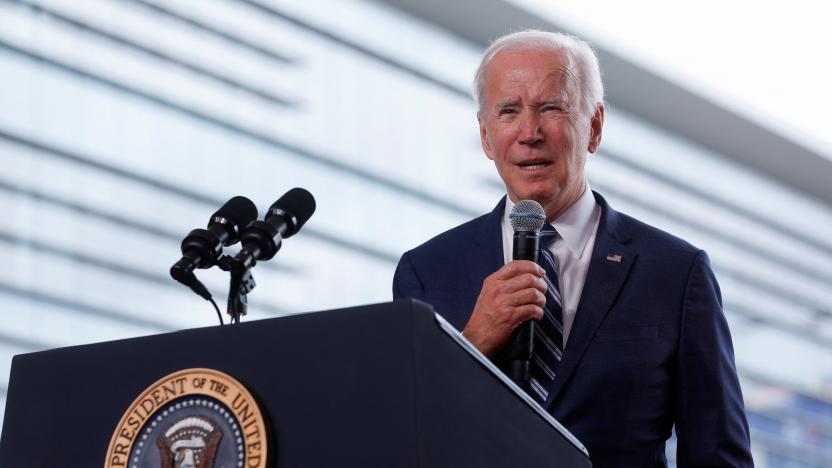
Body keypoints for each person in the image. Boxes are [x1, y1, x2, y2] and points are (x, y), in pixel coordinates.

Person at [393, 30, 753, 467]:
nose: (529, 132)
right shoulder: (427, 270)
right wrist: (472, 343)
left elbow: (719, 456)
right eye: (509, 111)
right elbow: (406, 441)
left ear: (594, 127)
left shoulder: (676, 272)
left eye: (552, 108)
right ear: (486, 137)